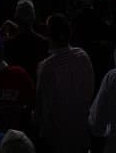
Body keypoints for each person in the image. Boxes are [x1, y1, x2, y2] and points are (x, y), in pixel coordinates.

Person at [35, 13, 94, 153]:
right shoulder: (83, 56)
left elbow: (43, 109)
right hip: (82, 135)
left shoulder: (47, 66)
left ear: (49, 35)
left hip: (58, 140)